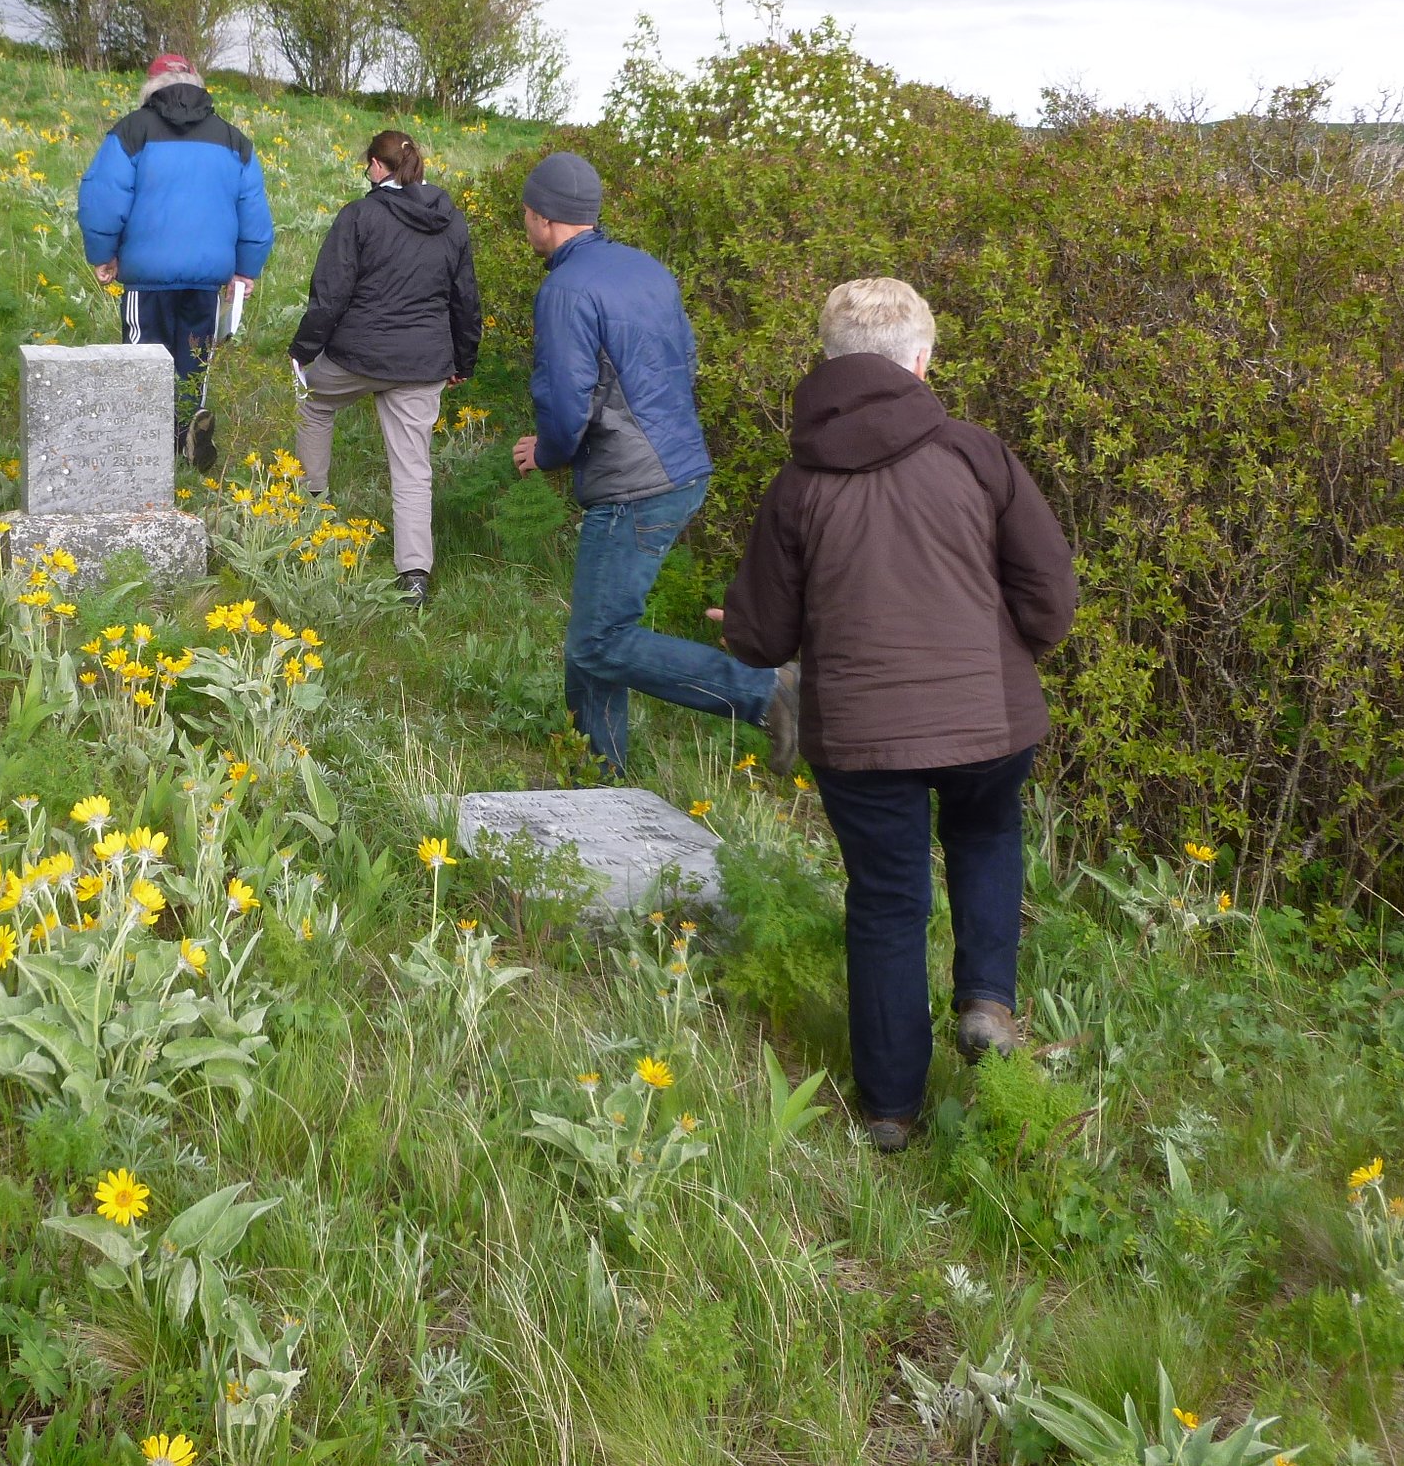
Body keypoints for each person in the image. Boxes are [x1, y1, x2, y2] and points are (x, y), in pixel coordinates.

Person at [718, 277, 1077, 1153]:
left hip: (861, 735)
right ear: (923, 360)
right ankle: (987, 1000)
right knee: (986, 835)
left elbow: (761, 637)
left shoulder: (798, 484)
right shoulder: (976, 454)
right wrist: (1018, 642)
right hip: (987, 716)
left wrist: (758, 620)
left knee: (886, 900)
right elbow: (1051, 595)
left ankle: (888, 1111)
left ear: (829, 364)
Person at [508, 151, 794, 775]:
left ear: (544, 218)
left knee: (599, 640)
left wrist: (548, 451)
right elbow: (684, 363)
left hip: (635, 485)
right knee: (597, 627)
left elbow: (564, 405)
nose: (524, 224)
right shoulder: (647, 270)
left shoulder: (565, 288)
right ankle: (597, 768)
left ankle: (767, 692)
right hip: (682, 465)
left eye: (526, 215)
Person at [289, 131, 481, 603]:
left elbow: (329, 294)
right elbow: (465, 300)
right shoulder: (451, 221)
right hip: (423, 361)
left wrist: (303, 350)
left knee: (312, 401)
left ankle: (309, 507)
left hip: (360, 355)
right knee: (413, 466)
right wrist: (462, 361)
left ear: (377, 166)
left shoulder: (359, 217)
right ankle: (414, 575)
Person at [77, 52, 276, 471]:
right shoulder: (233, 139)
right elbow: (254, 212)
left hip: (147, 277)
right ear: (198, 84)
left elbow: (102, 197)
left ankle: (146, 445)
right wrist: (245, 269)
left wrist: (103, 254)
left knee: (143, 355)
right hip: (207, 279)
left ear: (150, 88)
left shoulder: (132, 131)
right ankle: (187, 434)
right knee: (195, 357)